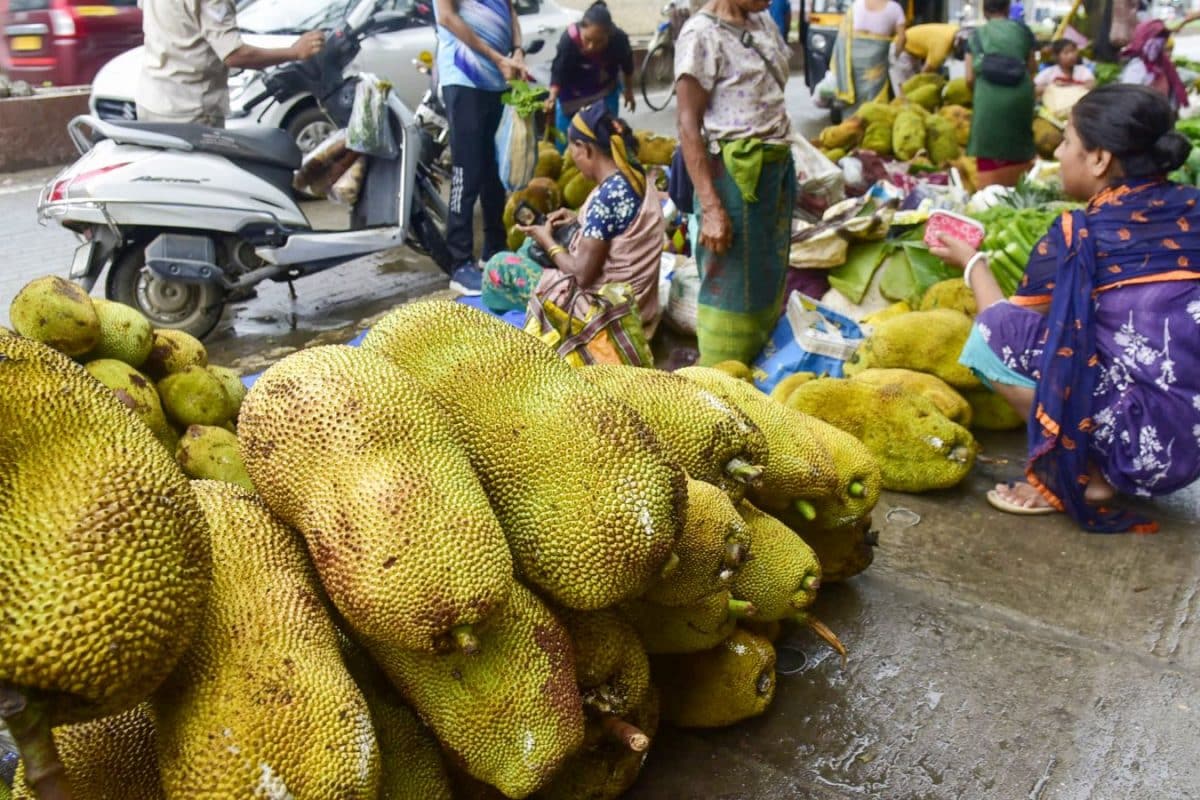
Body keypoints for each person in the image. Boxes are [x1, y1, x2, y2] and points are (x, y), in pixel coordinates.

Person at [931, 84, 1200, 534]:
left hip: (1139, 449)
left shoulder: (1079, 233)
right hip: (1190, 448)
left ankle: (1081, 474)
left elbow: (1007, 325)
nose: (1057, 152)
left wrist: (973, 264)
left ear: (1099, 159)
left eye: (1067, 141)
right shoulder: (1193, 205)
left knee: (991, 333)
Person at [675, 0, 794, 366]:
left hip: (773, 173)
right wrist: (712, 208)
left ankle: (758, 367)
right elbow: (688, 125)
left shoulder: (762, 21)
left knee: (766, 274)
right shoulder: (701, 35)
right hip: (733, 180)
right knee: (731, 285)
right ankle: (720, 375)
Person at [485, 102, 666, 335]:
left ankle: (538, 325)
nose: (572, 158)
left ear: (585, 148)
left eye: (573, 150)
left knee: (499, 265)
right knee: (530, 246)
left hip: (602, 312)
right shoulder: (634, 175)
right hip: (636, 301)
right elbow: (617, 224)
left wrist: (548, 241)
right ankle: (535, 314)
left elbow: (581, 275)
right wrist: (578, 218)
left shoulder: (606, 198)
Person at [434, 0, 530, 295]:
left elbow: (510, 10)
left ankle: (494, 248)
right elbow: (447, 17)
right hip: (464, 78)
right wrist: (496, 57)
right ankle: (460, 263)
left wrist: (517, 50)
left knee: (494, 170)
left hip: (498, 82)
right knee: (468, 170)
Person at [137, 0, 324, 127]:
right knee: (202, 174)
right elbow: (234, 54)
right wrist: (294, 52)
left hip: (152, 99)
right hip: (189, 109)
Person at [542, 2, 636, 150]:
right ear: (581, 30)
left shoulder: (619, 40)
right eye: (587, 39)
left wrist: (628, 91)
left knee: (606, 139)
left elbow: (627, 66)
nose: (591, 46)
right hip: (572, 96)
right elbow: (558, 71)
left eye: (599, 42)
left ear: (609, 35)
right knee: (565, 142)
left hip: (604, 93)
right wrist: (552, 98)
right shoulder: (569, 40)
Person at [964, 0, 1036, 189]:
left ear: (984, 11)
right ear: (1007, 8)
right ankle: (1018, 190)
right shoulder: (1023, 31)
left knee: (988, 145)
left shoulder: (975, 36)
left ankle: (988, 193)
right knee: (1019, 145)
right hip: (1020, 95)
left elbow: (969, 78)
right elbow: (1032, 68)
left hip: (988, 98)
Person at [831, 0, 906, 114]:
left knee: (854, 92)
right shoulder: (895, 8)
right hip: (877, 60)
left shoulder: (855, 5)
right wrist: (894, 56)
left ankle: (850, 122)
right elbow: (902, 38)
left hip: (853, 60)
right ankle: (872, 120)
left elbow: (844, 36)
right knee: (874, 94)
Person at [1119, 15, 1200, 110]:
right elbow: (1128, 102)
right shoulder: (1136, 68)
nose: (1158, 43)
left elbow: (1181, 77)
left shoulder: (1165, 65)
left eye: (1162, 38)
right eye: (1155, 38)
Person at [890, 22, 960, 98]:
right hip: (900, 49)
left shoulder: (956, 31)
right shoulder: (941, 48)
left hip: (914, 52)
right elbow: (923, 75)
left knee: (913, 90)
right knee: (904, 92)